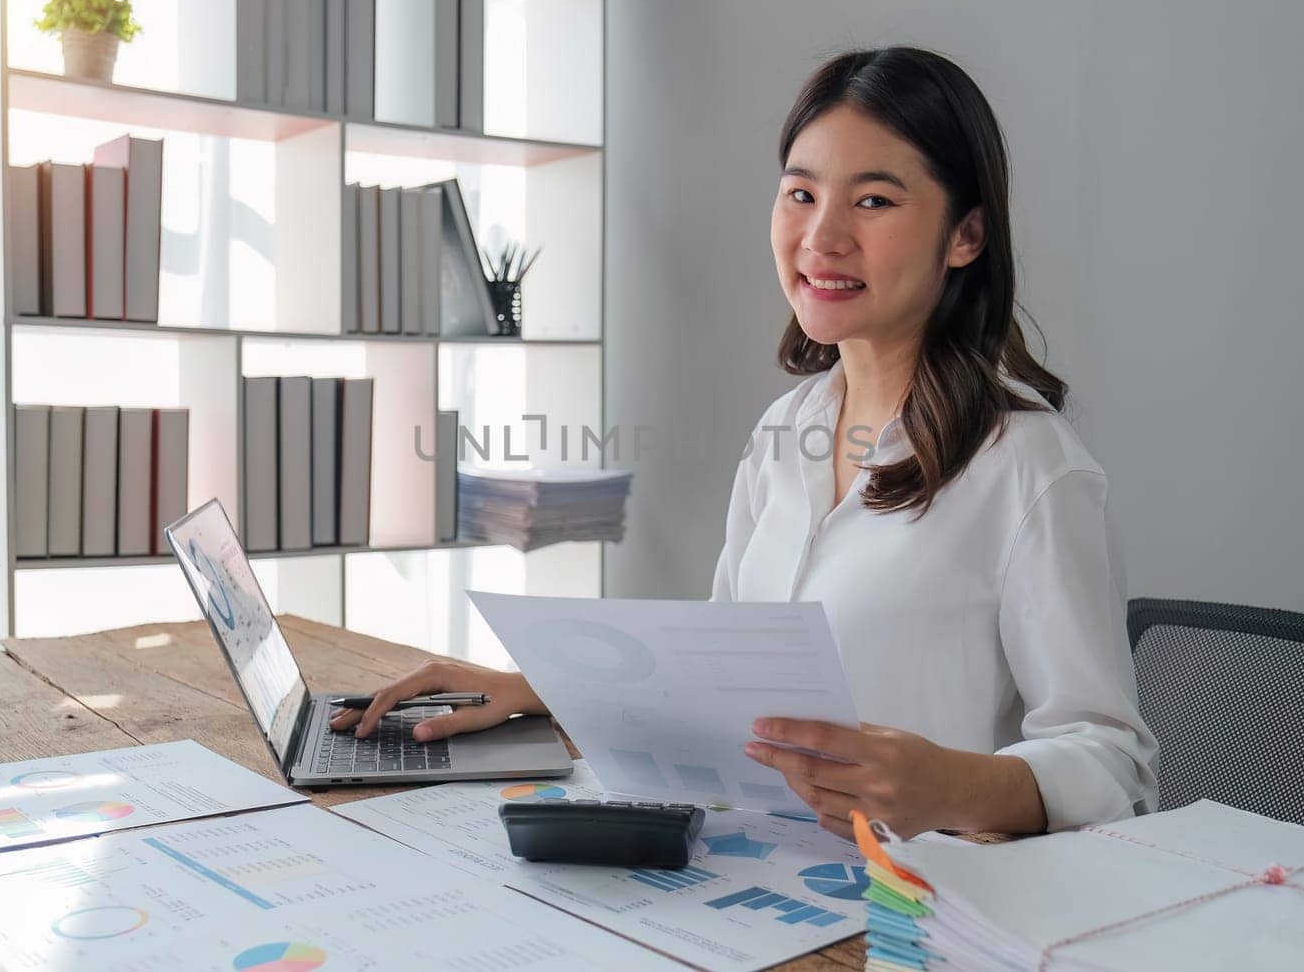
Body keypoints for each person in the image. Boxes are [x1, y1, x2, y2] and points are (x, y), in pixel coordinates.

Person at [331, 46, 1158, 840]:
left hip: (924, 907)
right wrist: (538, 688)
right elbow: (719, 684)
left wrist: (948, 785)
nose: (823, 236)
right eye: (801, 194)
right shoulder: (783, 434)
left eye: (874, 201)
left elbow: (1116, 767)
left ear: (965, 236)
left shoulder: (1031, 467)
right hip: (758, 873)